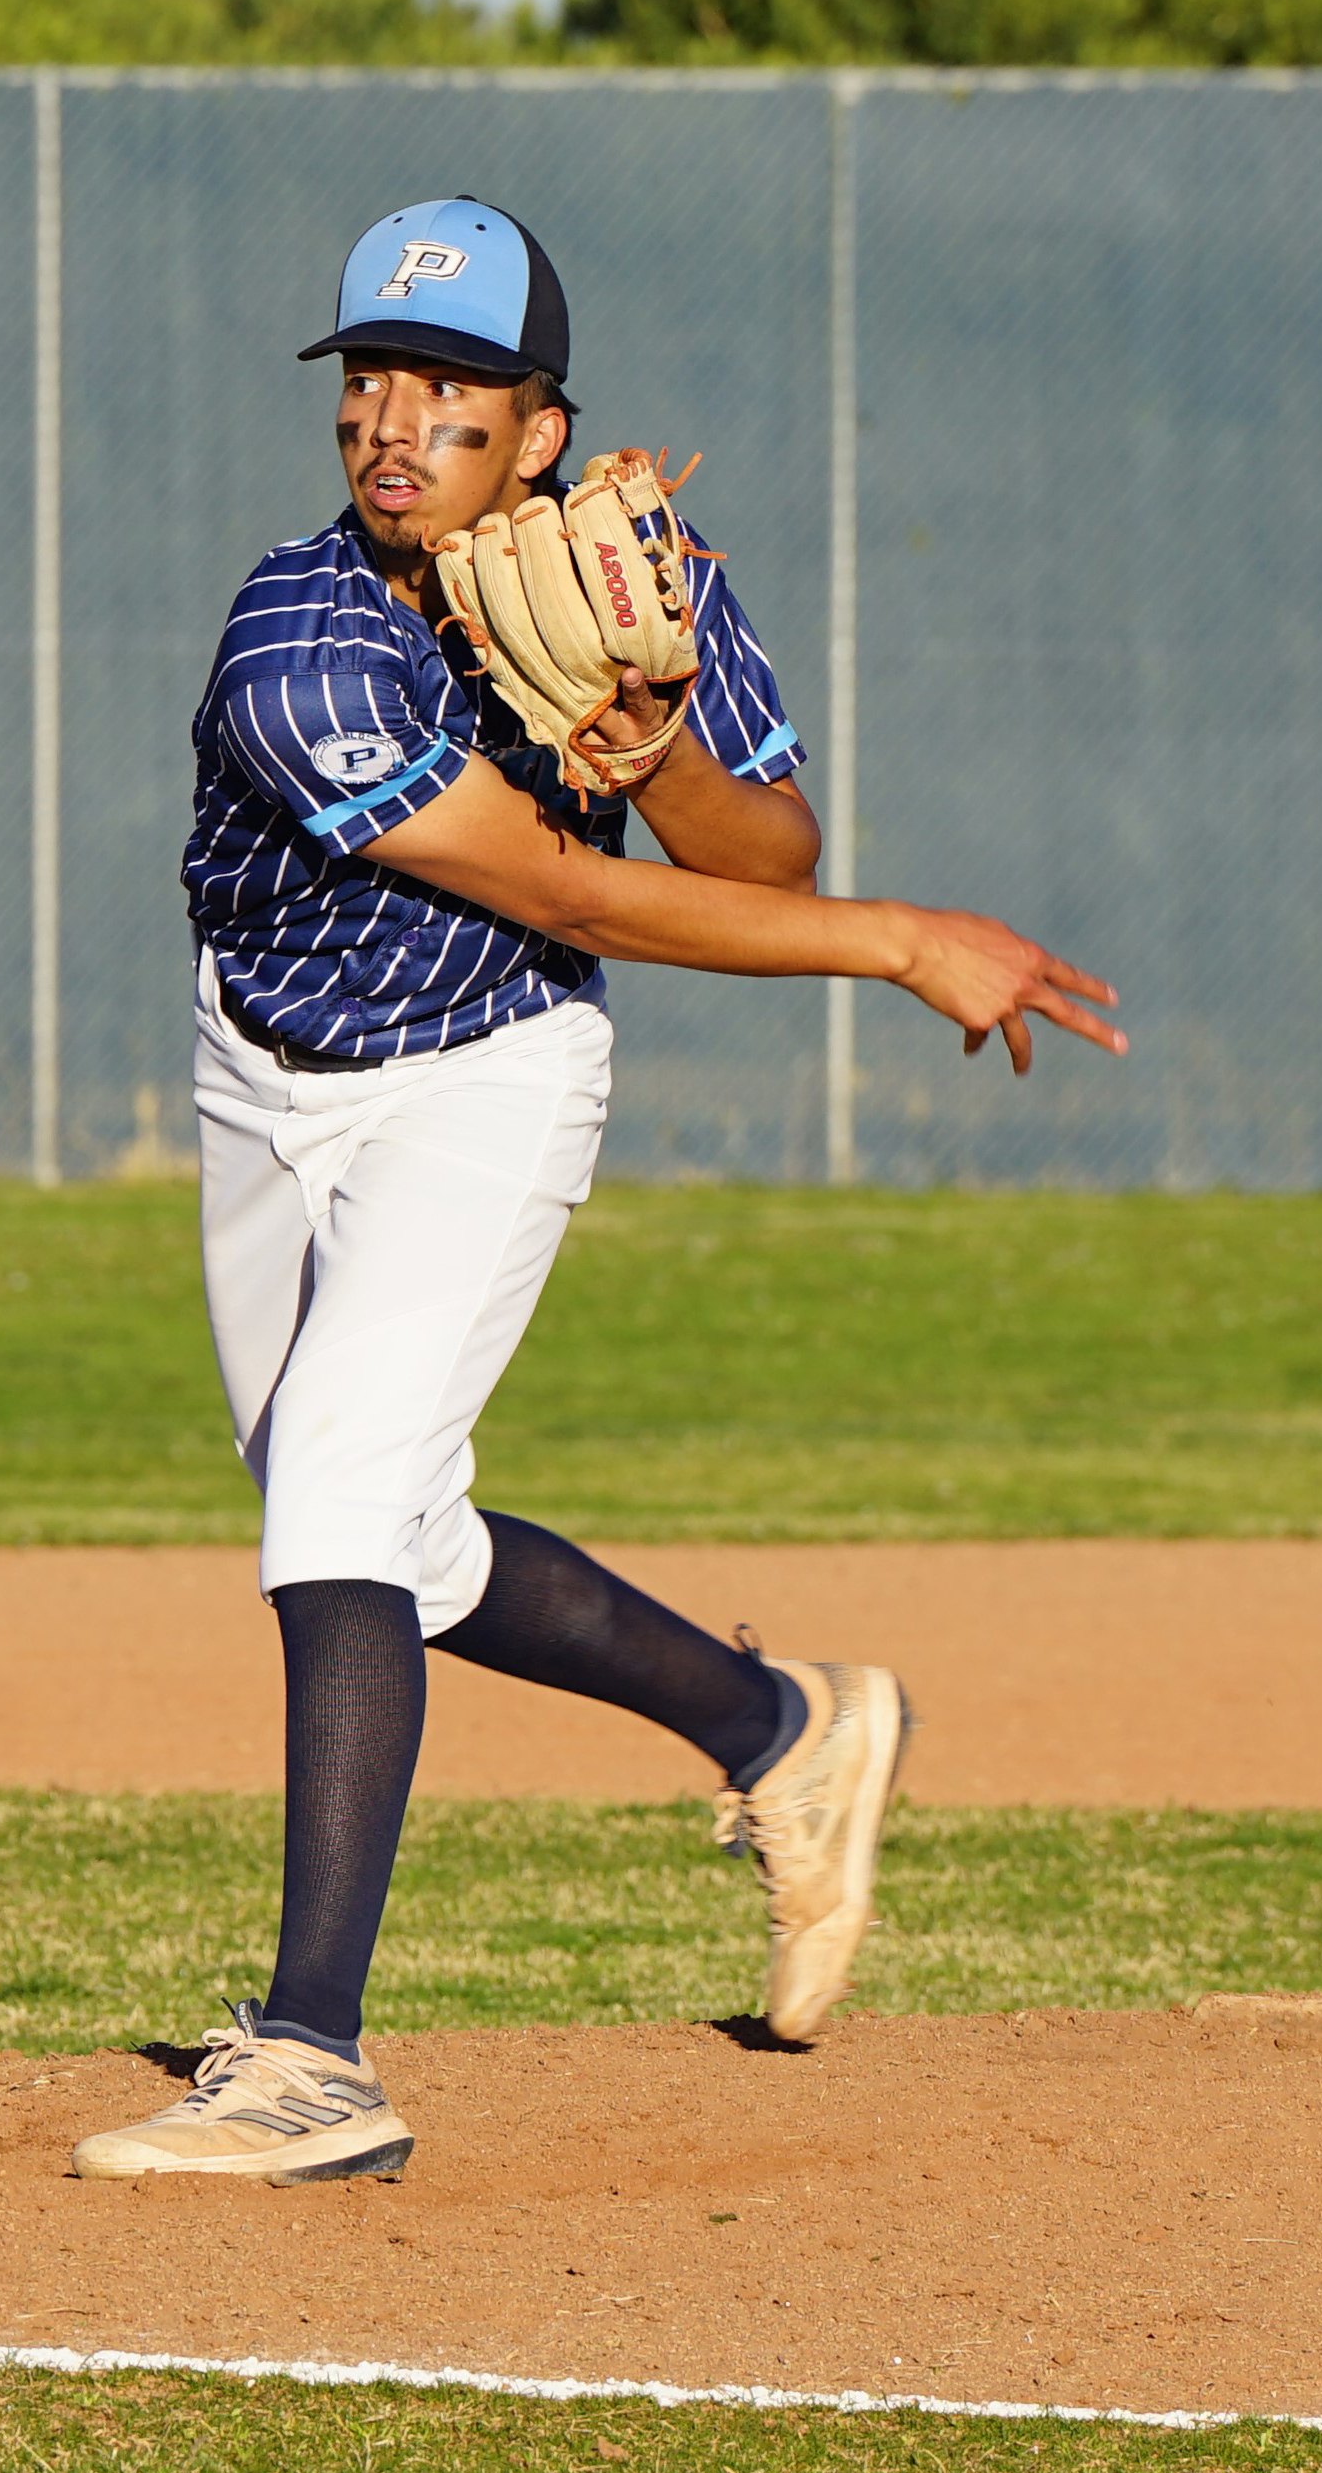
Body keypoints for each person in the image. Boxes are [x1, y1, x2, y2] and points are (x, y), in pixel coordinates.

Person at [74, 199, 1124, 2184]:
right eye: (370, 377)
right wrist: (905, 948)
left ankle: (312, 2060)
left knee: (336, 1499)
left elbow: (763, 855)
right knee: (399, 1536)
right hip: (270, 1082)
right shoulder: (299, 639)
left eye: (451, 392)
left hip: (489, 1069)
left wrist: (655, 752)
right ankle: (782, 1727)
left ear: (539, 431)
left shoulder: (650, 584)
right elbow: (559, 883)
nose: (395, 420)